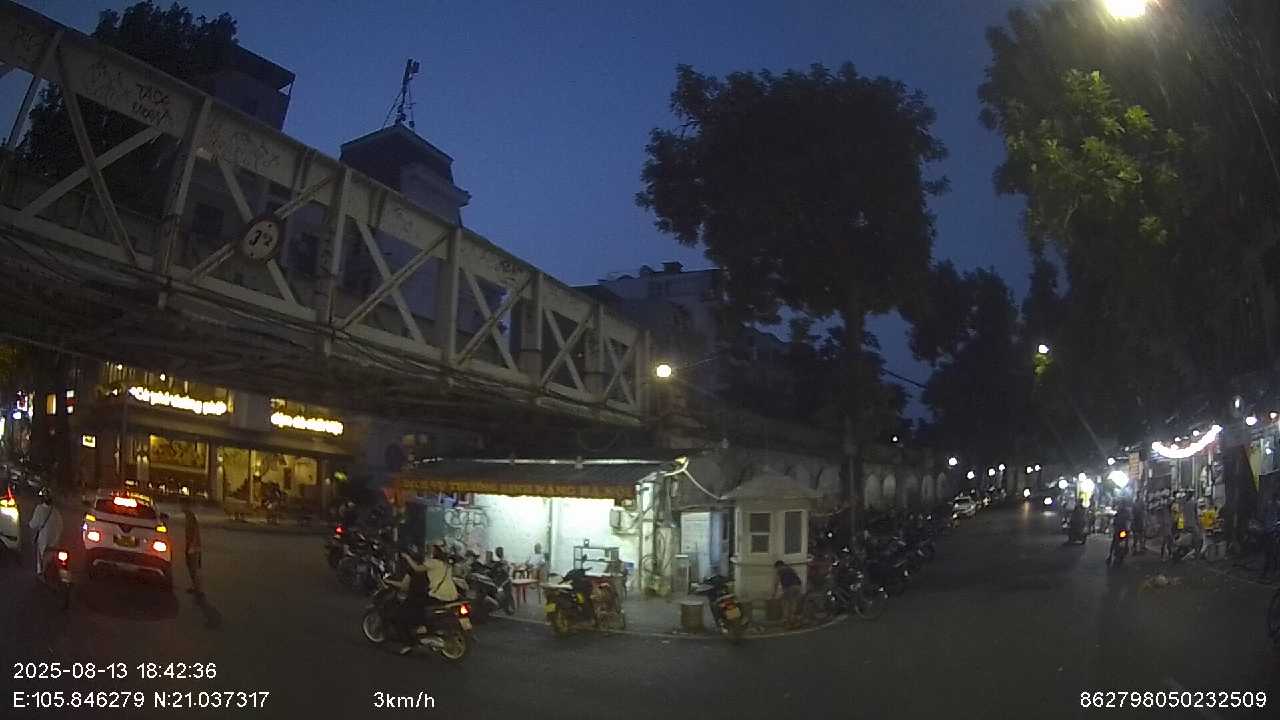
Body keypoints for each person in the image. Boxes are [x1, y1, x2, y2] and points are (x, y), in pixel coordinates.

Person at [387, 540, 460, 655]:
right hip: (452, 595)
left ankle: (412, 640)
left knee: (404, 612)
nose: (429, 550)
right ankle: (423, 628)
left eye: (431, 548)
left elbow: (417, 568)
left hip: (439, 595)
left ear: (435, 550)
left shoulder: (432, 563)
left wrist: (407, 557)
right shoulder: (446, 564)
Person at [28, 490, 63, 577]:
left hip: (43, 541)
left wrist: (29, 524)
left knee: (40, 557)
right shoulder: (56, 512)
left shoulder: (39, 509)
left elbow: (33, 524)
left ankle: (40, 573)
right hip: (55, 542)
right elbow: (61, 526)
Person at [180, 496, 203, 595]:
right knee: (190, 567)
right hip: (190, 545)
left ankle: (198, 589)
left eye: (182, 505)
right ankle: (195, 587)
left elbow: (195, 532)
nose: (181, 507)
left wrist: (192, 546)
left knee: (194, 568)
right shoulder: (188, 516)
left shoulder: (191, 516)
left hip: (193, 546)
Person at [772, 560, 803, 627]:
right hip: (798, 587)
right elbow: (797, 577)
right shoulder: (790, 569)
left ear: (779, 566)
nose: (776, 569)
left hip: (790, 587)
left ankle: (786, 620)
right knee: (793, 602)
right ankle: (793, 620)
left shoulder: (781, 570)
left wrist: (774, 593)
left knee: (784, 602)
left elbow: (776, 582)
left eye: (776, 568)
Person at [1107, 500, 1132, 565]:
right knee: (1117, 542)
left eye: (1121, 504)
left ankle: (1115, 555)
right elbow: (1115, 521)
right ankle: (1112, 555)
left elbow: (1128, 522)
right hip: (1119, 530)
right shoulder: (1121, 512)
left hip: (1121, 530)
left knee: (1119, 542)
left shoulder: (1123, 512)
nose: (1120, 505)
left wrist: (1127, 530)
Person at [1262, 493, 1280, 578]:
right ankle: (1270, 569)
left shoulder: (1274, 505)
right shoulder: (1271, 505)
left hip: (1271, 531)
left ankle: (1273, 569)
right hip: (1270, 531)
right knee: (1270, 552)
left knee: (1272, 552)